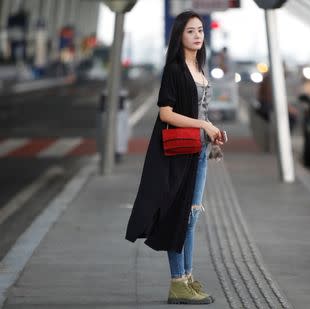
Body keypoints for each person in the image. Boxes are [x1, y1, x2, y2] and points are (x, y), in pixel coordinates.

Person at [125, 11, 224, 305]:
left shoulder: (199, 67)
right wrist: (204, 125)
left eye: (201, 30)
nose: (197, 35)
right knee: (181, 214)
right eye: (191, 31)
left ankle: (187, 277)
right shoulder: (175, 69)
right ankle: (177, 281)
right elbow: (165, 113)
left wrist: (214, 132)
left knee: (192, 214)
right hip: (182, 152)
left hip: (201, 151)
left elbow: (200, 112)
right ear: (179, 35)